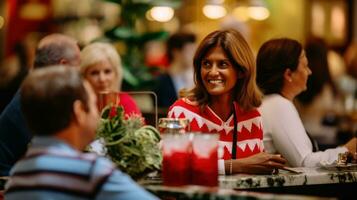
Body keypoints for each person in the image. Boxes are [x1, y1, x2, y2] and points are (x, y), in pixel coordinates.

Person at [4, 66, 157, 200]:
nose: (97, 115)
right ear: (79, 112)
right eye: (92, 105)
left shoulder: (18, 175)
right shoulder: (91, 172)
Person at [168, 29, 286, 175]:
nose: (212, 72)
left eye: (222, 64)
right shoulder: (180, 111)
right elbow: (170, 163)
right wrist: (236, 166)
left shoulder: (252, 116)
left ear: (241, 71)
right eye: (206, 64)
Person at [256, 38, 356, 167]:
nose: (309, 72)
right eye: (305, 66)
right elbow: (305, 163)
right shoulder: (278, 105)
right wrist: (347, 150)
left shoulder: (271, 102)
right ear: (288, 74)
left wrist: (345, 153)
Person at [0, 33, 81, 176]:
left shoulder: (36, 89)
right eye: (78, 66)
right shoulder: (36, 100)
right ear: (64, 66)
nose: (80, 73)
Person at [295, 37, 343, 144]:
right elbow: (337, 108)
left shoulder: (295, 83)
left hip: (300, 135)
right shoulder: (326, 85)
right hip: (323, 137)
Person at [80, 42, 141, 116]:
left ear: (116, 74)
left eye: (107, 71)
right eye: (94, 73)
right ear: (84, 76)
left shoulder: (126, 103)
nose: (102, 79)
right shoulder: (79, 106)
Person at [155, 32, 197, 108]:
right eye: (190, 51)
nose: (194, 55)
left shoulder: (197, 78)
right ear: (176, 52)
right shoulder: (161, 81)